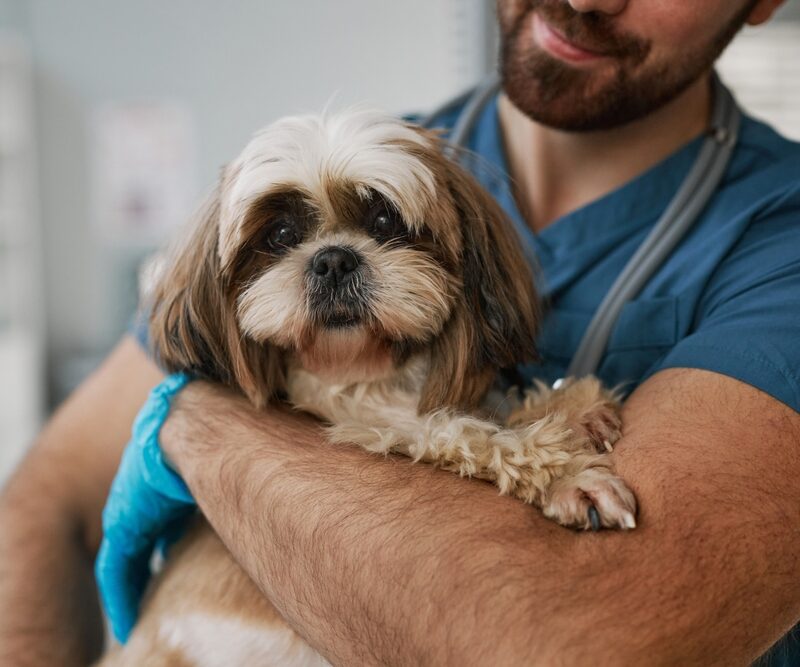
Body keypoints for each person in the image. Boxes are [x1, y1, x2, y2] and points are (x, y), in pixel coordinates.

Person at [2, 0, 799, 664]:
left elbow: (590, 644)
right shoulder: (373, 149)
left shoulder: (776, 236)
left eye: (385, 223)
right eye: (283, 241)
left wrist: (199, 422)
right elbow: (42, 505)